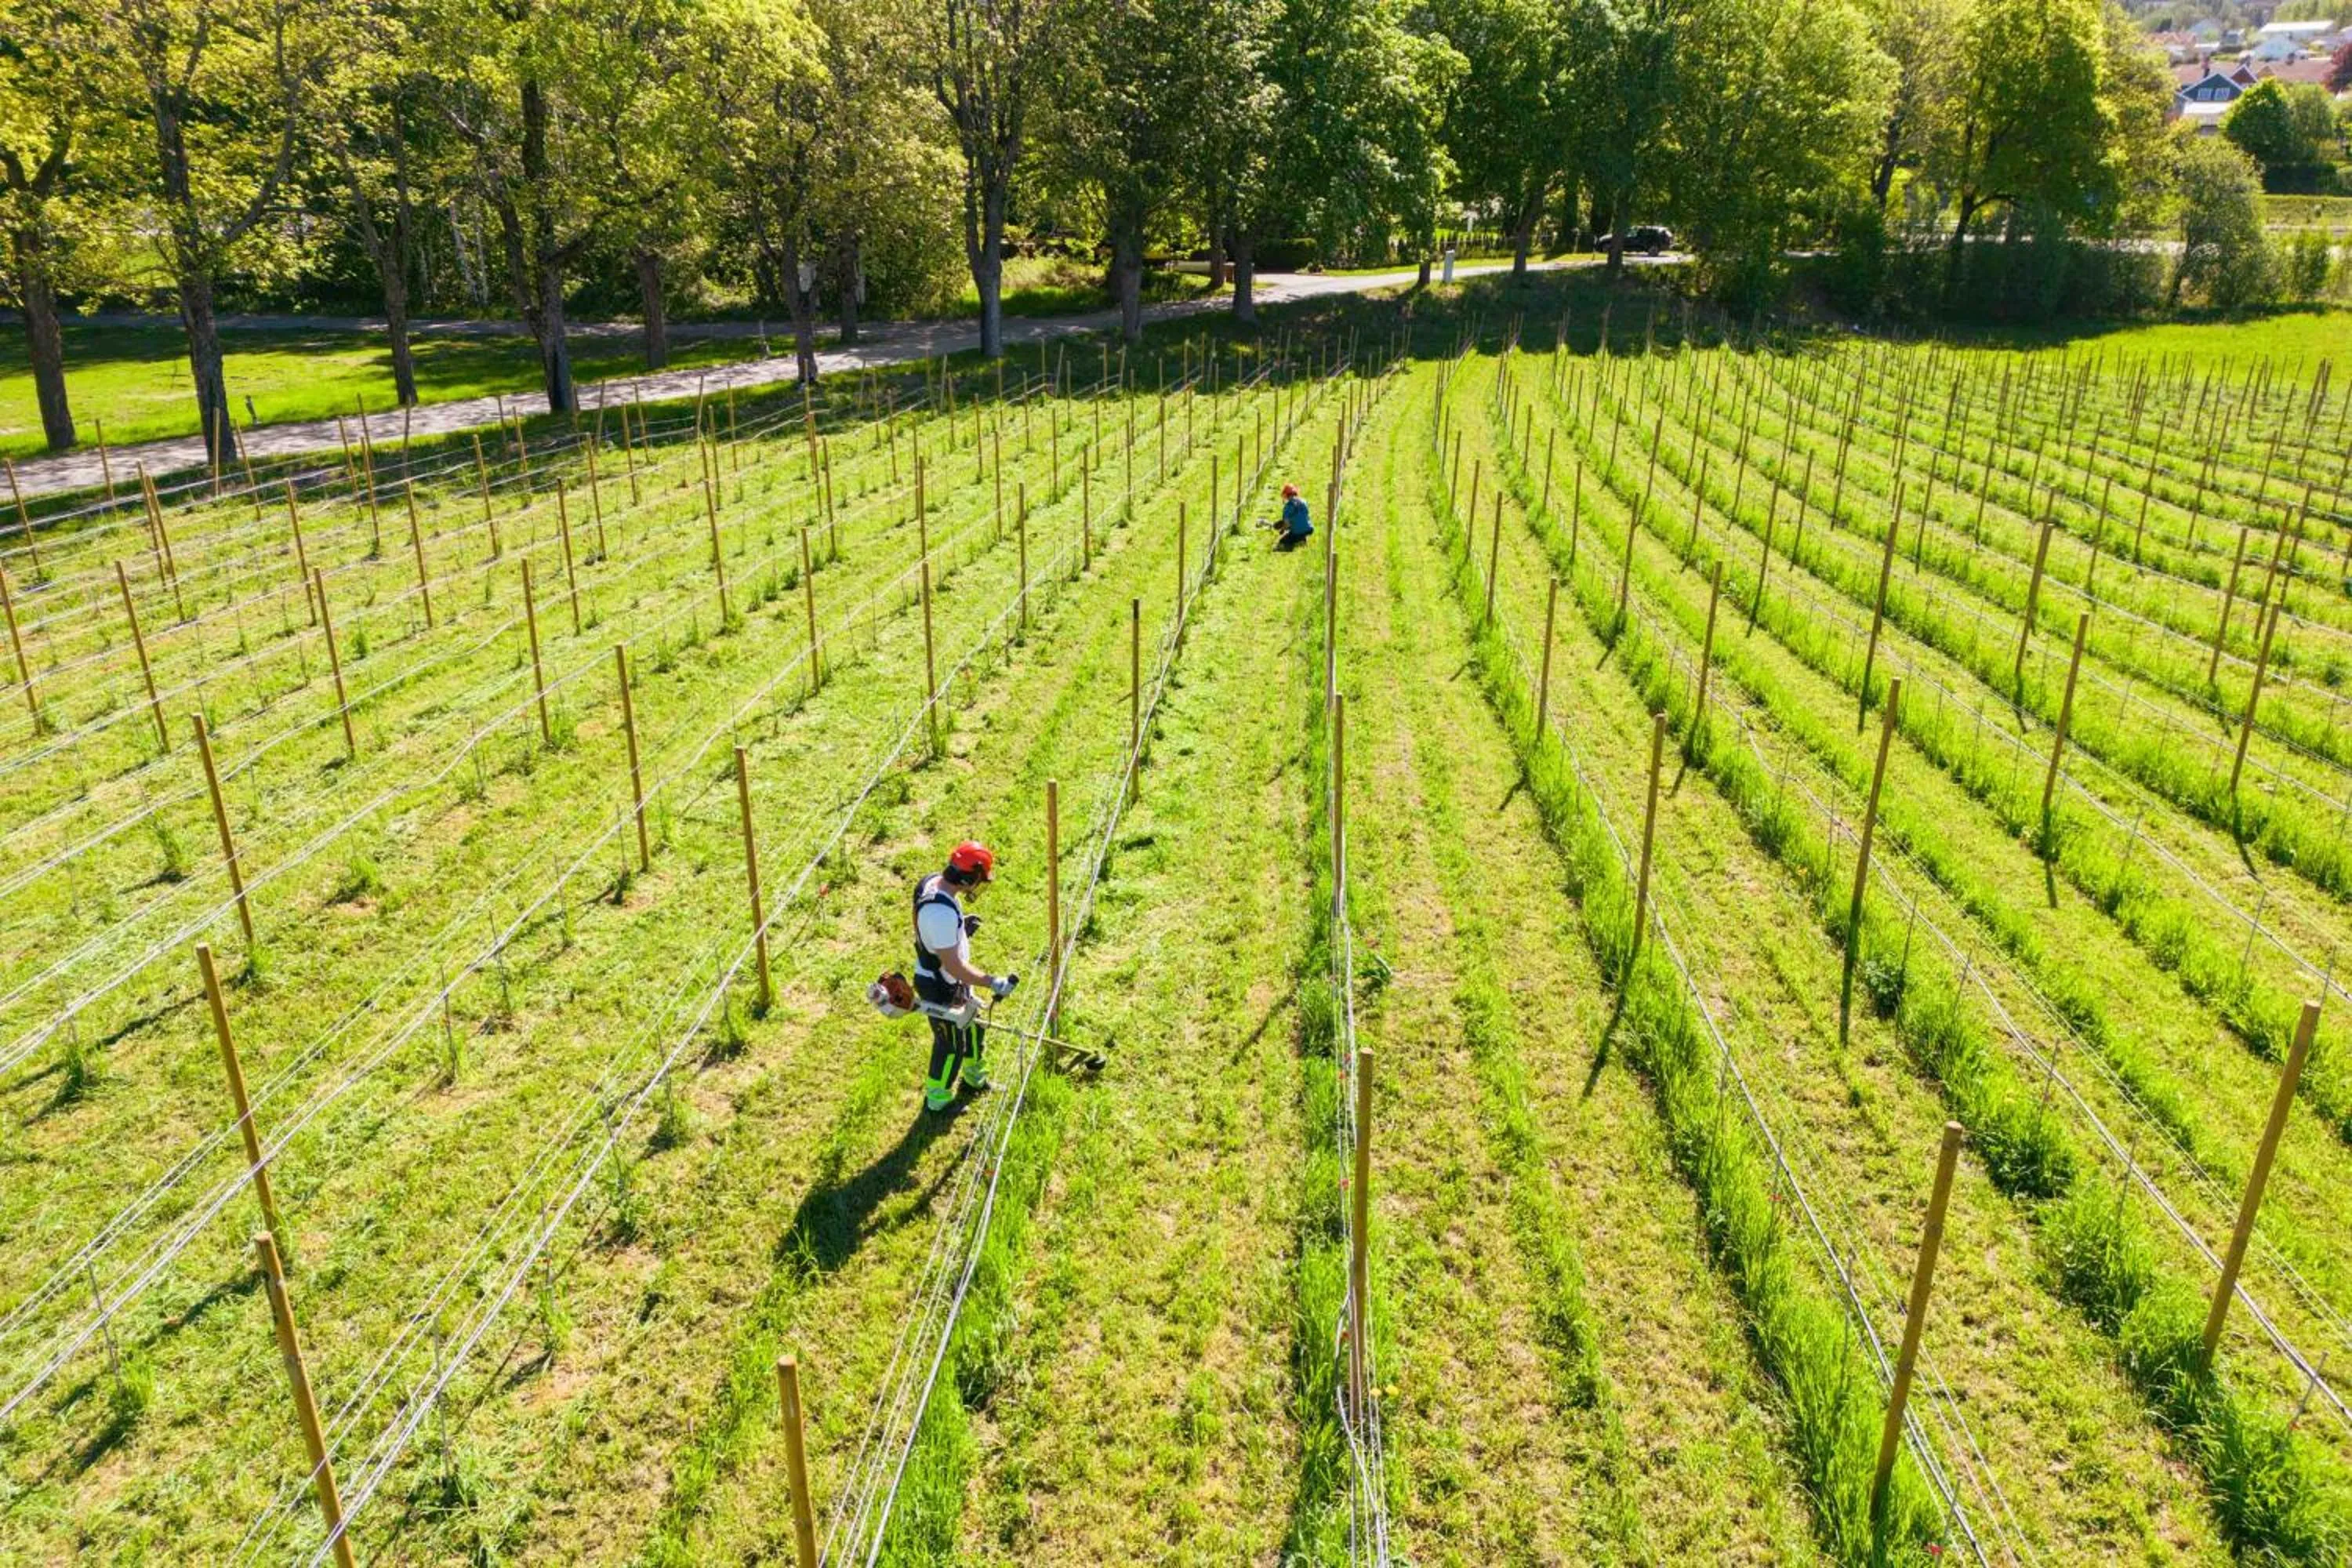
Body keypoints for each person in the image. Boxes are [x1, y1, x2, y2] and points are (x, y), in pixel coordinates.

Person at [912, 840, 1018, 1111]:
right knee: (950, 1045)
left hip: (952, 981)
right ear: (968, 877)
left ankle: (974, 1079)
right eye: (979, 880)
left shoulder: (934, 884)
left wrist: (960, 928)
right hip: (939, 986)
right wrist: (992, 981)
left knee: (974, 1028)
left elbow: (934, 934)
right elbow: (955, 966)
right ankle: (937, 1100)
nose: (979, 887)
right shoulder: (940, 914)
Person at [1276, 483, 1313, 550]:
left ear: (1286, 495)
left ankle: (1299, 542)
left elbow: (1287, 524)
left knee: (1282, 542)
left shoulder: (1288, 507)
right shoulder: (1304, 501)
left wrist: (1283, 529)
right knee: (1299, 530)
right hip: (1309, 528)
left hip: (1297, 531)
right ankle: (1302, 539)